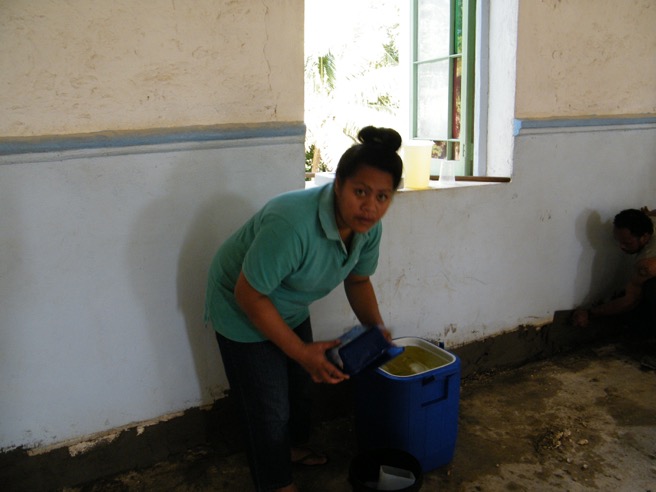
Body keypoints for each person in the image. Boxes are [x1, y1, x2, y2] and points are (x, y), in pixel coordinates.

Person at [204, 126, 403, 492]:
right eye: (360, 191)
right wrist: (300, 350)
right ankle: (275, 482)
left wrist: (377, 330)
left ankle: (290, 450)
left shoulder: (367, 229)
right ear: (338, 185)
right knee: (268, 408)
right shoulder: (292, 223)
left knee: (299, 388)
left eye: (382, 196)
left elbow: (358, 281)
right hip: (241, 305)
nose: (370, 206)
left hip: (288, 303)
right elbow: (249, 294)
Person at [572, 207, 656, 330]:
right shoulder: (651, 220)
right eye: (619, 241)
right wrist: (648, 213)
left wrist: (590, 313)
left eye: (627, 243)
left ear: (645, 237)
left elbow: (630, 300)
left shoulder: (647, 264)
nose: (621, 247)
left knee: (650, 289)